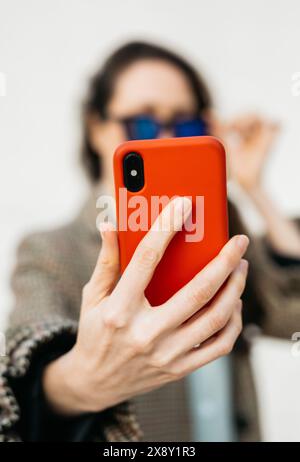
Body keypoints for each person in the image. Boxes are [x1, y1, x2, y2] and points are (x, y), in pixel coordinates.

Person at [1, 41, 299, 442]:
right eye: (141, 124)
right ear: (97, 128)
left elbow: (291, 320)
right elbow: (26, 353)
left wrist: (256, 190)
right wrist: (83, 382)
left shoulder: (223, 221)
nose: (166, 137)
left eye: (187, 124)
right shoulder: (52, 249)